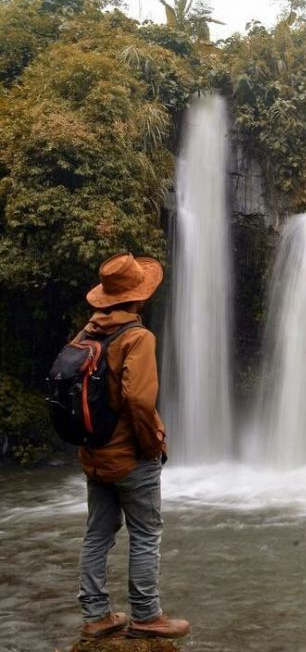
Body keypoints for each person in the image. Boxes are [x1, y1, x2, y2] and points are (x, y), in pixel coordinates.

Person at [75, 253, 190, 642]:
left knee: (97, 533)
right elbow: (139, 400)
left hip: (94, 453)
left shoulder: (86, 335)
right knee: (145, 533)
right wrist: (152, 445)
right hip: (128, 457)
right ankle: (146, 615)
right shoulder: (137, 337)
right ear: (139, 297)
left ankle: (96, 616)